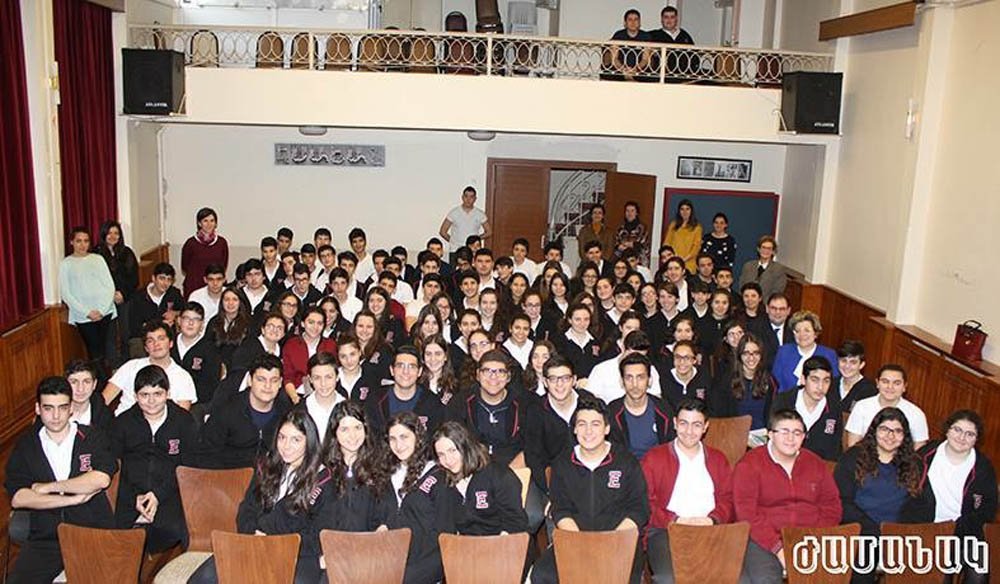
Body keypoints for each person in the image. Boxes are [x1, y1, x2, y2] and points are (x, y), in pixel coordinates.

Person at [191, 409, 332, 584]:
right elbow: (247, 509)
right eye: (282, 438)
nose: (286, 446)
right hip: (254, 542)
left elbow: (317, 534)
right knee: (203, 578)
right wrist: (253, 534)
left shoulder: (323, 479)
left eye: (296, 440)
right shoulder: (266, 466)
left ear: (309, 442)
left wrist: (275, 543)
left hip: (295, 553)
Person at [4, 377, 115, 584]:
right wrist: (72, 499)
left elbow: (101, 479)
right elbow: (19, 497)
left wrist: (48, 488)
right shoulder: (27, 444)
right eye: (48, 408)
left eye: (62, 408)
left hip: (91, 529)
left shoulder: (92, 437)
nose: (56, 416)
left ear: (71, 408)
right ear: (38, 409)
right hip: (46, 536)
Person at [532, 396, 649, 584]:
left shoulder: (626, 461)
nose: (588, 431)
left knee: (619, 576)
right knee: (542, 575)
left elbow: (639, 509)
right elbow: (561, 509)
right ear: (575, 429)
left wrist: (612, 540)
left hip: (617, 540)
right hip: (576, 538)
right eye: (582, 424)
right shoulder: (562, 464)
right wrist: (582, 543)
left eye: (595, 424)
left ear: (606, 428)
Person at [732, 409, 841, 583]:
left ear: (804, 437)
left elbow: (832, 507)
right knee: (765, 579)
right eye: (784, 432)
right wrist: (778, 549)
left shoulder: (815, 463)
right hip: (764, 539)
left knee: (832, 574)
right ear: (770, 435)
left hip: (810, 538)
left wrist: (813, 539)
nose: (791, 438)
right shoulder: (749, 464)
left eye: (797, 433)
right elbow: (747, 514)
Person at [834, 408, 932, 583]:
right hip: (860, 531)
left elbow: (924, 505)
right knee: (864, 556)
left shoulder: (914, 464)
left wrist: (898, 530)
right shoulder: (853, 457)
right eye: (884, 429)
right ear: (874, 431)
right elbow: (841, 500)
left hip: (898, 534)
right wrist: (872, 530)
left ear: (905, 436)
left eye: (897, 431)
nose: (890, 436)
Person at [642, 398, 734, 584]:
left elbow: (729, 499)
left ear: (705, 427)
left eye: (696, 425)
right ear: (675, 423)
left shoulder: (717, 459)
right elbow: (645, 503)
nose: (689, 431)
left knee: (729, 574)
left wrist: (712, 519)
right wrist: (676, 520)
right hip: (666, 530)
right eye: (684, 423)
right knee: (670, 578)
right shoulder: (654, 457)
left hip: (710, 529)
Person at [110, 364, 197, 552]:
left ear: (168, 393)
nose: (151, 401)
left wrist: (158, 495)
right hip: (131, 494)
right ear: (135, 396)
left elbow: (188, 465)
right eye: (144, 395)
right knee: (116, 534)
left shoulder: (184, 421)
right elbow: (114, 466)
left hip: (170, 491)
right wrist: (134, 497)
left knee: (174, 529)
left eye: (157, 394)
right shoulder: (122, 423)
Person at [918, 410, 997, 584]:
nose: (962, 437)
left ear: (976, 439)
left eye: (970, 434)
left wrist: (956, 530)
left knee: (979, 572)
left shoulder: (983, 467)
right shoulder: (925, 455)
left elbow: (987, 510)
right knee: (941, 574)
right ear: (947, 430)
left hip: (965, 531)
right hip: (927, 527)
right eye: (957, 430)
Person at [383, 411, 452, 584]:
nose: (398, 445)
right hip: (392, 556)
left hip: (428, 561)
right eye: (393, 439)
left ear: (418, 436)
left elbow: (445, 533)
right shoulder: (385, 473)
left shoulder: (438, 475)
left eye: (404, 437)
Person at [197, 353, 293, 469]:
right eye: (261, 380)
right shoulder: (227, 410)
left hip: (271, 475)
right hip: (230, 474)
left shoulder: (286, 413)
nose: (268, 386)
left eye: (274, 380)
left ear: (280, 383)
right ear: (250, 381)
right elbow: (206, 453)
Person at [433, 421, 528, 536]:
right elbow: (443, 526)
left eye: (452, 450)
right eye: (441, 455)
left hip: (499, 541)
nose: (448, 460)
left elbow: (516, 524)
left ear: (466, 447)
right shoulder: (442, 482)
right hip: (464, 543)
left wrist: (498, 543)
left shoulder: (499, 476)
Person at [446, 349, 534, 466]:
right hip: (472, 466)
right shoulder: (460, 403)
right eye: (487, 371)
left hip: (514, 468)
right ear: (478, 375)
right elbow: (452, 442)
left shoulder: (524, 404)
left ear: (508, 377)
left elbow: (532, 444)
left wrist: (511, 472)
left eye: (500, 371)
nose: (493, 377)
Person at [104, 320, 198, 415]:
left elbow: (182, 416)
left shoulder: (183, 377)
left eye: (161, 339)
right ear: (146, 348)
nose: (156, 344)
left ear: (171, 343)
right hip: (123, 421)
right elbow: (104, 400)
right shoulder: (131, 367)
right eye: (150, 341)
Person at [60, 226, 117, 370]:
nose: (82, 245)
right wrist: (87, 312)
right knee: (94, 351)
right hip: (83, 316)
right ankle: (99, 380)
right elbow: (66, 293)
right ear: (72, 242)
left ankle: (104, 380)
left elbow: (110, 286)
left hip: (105, 312)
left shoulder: (98, 259)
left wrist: (102, 310)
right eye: (78, 241)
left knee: (104, 350)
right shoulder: (66, 264)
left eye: (86, 241)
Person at [769, 356, 842, 461]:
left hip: (818, 465)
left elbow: (835, 449)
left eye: (826, 381)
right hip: (783, 461)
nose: (820, 387)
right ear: (803, 379)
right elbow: (774, 439)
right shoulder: (784, 402)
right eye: (815, 380)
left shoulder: (834, 407)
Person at [710, 334, 775, 446]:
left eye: (756, 353)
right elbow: (719, 416)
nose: (751, 358)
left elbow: (771, 415)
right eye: (746, 353)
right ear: (739, 355)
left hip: (762, 438)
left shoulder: (768, 381)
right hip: (734, 438)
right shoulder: (726, 382)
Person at [365, 345, 445, 435]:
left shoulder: (432, 403)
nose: (405, 372)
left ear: (419, 371)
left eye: (411, 367)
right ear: (392, 370)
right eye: (400, 366)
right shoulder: (375, 400)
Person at [845, 364, 929, 449]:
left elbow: (919, 450)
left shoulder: (916, 414)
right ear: (877, 383)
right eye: (885, 382)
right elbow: (853, 445)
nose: (890, 387)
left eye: (897, 383)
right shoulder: (862, 406)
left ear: (904, 387)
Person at [608, 353, 674, 460]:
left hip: (658, 466)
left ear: (649, 380)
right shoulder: (611, 411)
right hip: (624, 467)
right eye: (629, 378)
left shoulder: (663, 409)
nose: (635, 384)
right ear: (621, 381)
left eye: (640, 377)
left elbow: (671, 448)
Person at [93, 220, 139, 365]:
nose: (113, 236)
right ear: (103, 234)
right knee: (109, 334)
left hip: (125, 298)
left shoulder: (127, 252)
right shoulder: (96, 254)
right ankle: (113, 364)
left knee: (126, 332)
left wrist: (122, 294)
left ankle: (127, 362)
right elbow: (94, 279)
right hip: (104, 300)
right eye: (109, 233)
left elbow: (134, 278)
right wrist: (110, 295)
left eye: (116, 233)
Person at [171, 302, 222, 422]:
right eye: (186, 318)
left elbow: (211, 386)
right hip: (166, 397)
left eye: (196, 319)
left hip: (196, 402)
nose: (190, 323)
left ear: (202, 324)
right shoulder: (168, 343)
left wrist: (187, 400)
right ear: (179, 321)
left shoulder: (210, 349)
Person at [771, 310, 838, 393]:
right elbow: (775, 383)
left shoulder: (829, 355)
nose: (802, 334)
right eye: (797, 331)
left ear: (815, 333)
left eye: (807, 330)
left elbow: (833, 385)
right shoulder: (784, 351)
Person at [282, 306, 337, 402]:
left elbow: (334, 374)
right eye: (311, 322)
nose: (315, 327)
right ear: (303, 323)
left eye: (319, 323)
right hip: (296, 394)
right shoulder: (291, 344)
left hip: (325, 393)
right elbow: (288, 377)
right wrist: (295, 398)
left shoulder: (331, 345)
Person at [129, 262, 184, 346]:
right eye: (162, 278)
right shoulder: (139, 297)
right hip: (146, 339)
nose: (165, 283)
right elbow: (134, 327)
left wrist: (175, 313)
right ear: (153, 278)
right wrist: (160, 325)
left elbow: (185, 310)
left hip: (168, 338)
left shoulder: (174, 293)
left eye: (169, 279)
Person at [181, 207, 229, 299]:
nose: (209, 224)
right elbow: (185, 266)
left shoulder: (222, 242)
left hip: (216, 287)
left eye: (212, 221)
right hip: (194, 286)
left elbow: (223, 265)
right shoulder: (190, 243)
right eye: (205, 221)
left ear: (216, 223)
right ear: (199, 223)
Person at [440, 186, 490, 264]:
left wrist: (476, 240)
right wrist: (453, 240)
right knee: (454, 271)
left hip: (472, 251)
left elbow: (489, 232)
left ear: (475, 199)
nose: (468, 199)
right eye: (466, 196)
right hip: (455, 250)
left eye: (471, 197)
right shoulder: (454, 212)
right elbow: (443, 231)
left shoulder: (480, 214)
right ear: (462, 197)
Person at [301, 351, 346, 432]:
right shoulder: (300, 410)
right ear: (310, 379)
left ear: (337, 377)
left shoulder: (347, 408)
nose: (323, 383)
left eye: (328, 377)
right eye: (317, 378)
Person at [65, 359, 113, 432]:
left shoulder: (105, 416)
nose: (80, 388)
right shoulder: (54, 414)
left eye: (86, 382)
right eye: (74, 382)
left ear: (94, 384)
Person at [660, 340, 711, 409]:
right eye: (677, 357)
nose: (682, 362)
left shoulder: (704, 376)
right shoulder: (665, 378)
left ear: (694, 360)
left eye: (687, 358)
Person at [606, 9, 652, 82]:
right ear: (625, 23)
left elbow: (645, 59)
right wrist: (623, 70)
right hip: (620, 70)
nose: (633, 22)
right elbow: (614, 59)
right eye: (630, 19)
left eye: (636, 19)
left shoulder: (646, 36)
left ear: (639, 22)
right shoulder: (618, 35)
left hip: (639, 71)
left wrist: (635, 70)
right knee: (607, 75)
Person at [748, 292, 792, 368]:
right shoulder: (754, 329)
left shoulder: (794, 329)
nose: (777, 312)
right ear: (767, 309)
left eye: (782, 309)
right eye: (773, 308)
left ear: (788, 311)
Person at [738, 235, 787, 302]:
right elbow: (741, 286)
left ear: (773, 252)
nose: (765, 251)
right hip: (747, 303)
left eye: (769, 248)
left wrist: (760, 302)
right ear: (758, 249)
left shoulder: (779, 269)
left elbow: (777, 291)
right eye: (763, 247)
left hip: (765, 305)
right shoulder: (748, 266)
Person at [835, 340, 878, 414]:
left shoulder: (870, 390)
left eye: (853, 362)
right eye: (843, 361)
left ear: (861, 365)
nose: (847, 366)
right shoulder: (830, 384)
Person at [663, 199, 702, 273]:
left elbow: (696, 248)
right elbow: (667, 243)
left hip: (689, 264)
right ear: (679, 211)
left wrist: (683, 259)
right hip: (673, 262)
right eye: (682, 209)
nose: (685, 212)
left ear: (691, 211)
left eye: (687, 209)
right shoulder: (673, 225)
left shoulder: (697, 227)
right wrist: (670, 258)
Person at [614, 200, 650, 266]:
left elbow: (644, 245)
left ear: (636, 213)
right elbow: (616, 243)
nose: (629, 213)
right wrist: (619, 247)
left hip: (639, 262)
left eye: (632, 211)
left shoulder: (642, 228)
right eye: (627, 211)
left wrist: (632, 244)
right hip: (623, 262)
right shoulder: (620, 229)